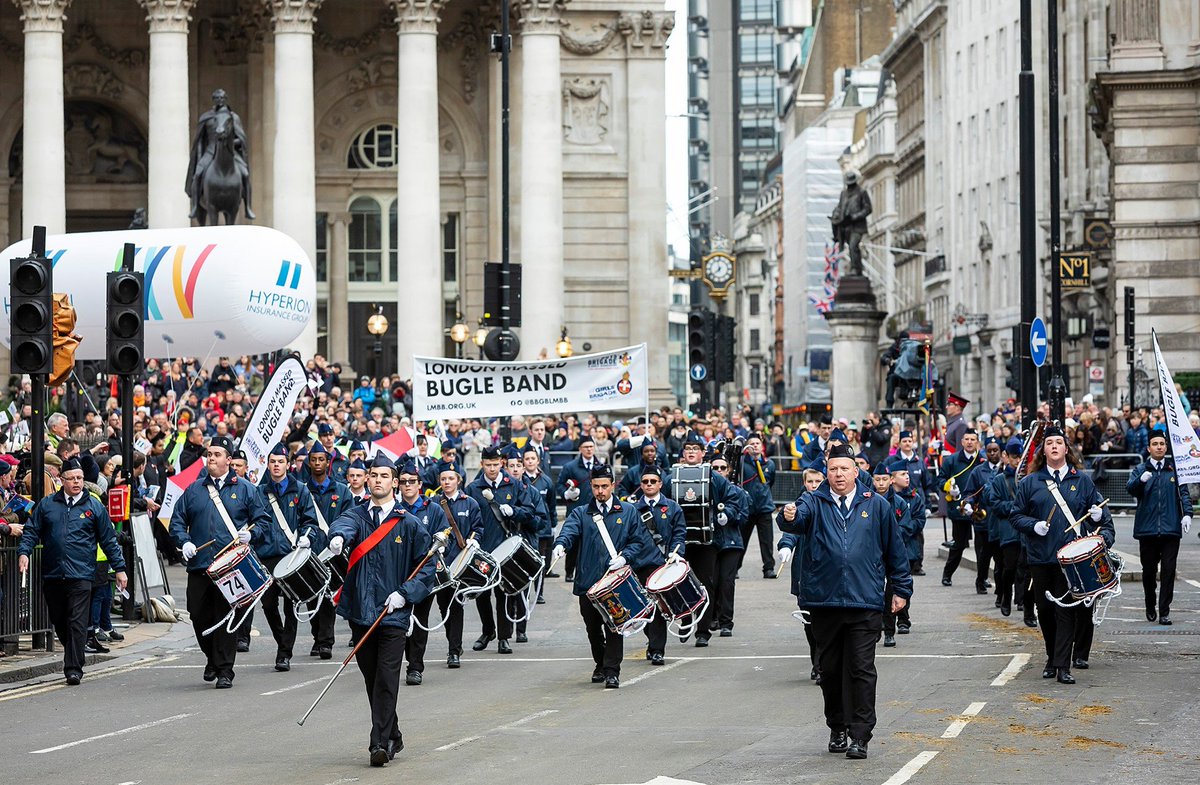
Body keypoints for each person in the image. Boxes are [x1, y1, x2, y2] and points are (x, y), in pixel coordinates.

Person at [778, 442, 912, 759]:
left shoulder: (875, 505)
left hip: (865, 602)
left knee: (862, 669)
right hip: (824, 603)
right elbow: (795, 521)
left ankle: (860, 735)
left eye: (844, 469)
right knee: (831, 670)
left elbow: (895, 550)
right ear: (827, 472)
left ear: (856, 472)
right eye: (833, 469)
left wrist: (900, 589)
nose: (838, 475)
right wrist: (788, 516)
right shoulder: (813, 500)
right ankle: (837, 726)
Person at [326, 455, 436, 767]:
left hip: (393, 615)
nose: (377, 480)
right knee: (372, 678)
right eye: (373, 475)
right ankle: (394, 733)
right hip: (361, 611)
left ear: (395, 482)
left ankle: (380, 743)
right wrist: (337, 537)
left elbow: (427, 569)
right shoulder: (356, 516)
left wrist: (405, 594)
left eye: (384, 476)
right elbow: (343, 524)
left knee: (387, 678)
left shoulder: (409, 523)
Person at [1011, 425, 1114, 684]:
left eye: (1059, 442)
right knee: (1045, 611)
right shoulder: (1030, 482)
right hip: (1040, 557)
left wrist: (1098, 516)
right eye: (1050, 443)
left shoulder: (1082, 480)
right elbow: (1016, 515)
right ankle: (1051, 657)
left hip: (1070, 561)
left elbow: (1099, 515)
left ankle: (1062, 666)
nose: (1055, 446)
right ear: (1043, 450)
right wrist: (1033, 525)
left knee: (1066, 610)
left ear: (1066, 449)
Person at [169, 435, 271, 688]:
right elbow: (177, 520)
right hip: (200, 565)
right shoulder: (194, 489)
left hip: (230, 567)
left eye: (216, 455)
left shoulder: (246, 488)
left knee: (226, 616)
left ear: (228, 459)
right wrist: (185, 542)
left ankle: (225, 669)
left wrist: (252, 534)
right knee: (198, 615)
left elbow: (263, 520)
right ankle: (212, 658)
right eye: (209, 454)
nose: (211, 459)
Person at [18, 458, 127, 685]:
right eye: (72, 478)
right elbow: (30, 531)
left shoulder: (94, 506)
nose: (77, 482)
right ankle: (73, 651)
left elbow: (108, 540)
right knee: (60, 620)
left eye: (80, 478)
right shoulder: (47, 505)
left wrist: (120, 569)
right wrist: (24, 553)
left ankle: (73, 668)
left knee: (77, 621)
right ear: (62, 480)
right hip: (53, 574)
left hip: (81, 574)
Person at [552, 465, 656, 688]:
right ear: (591, 486)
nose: (600, 491)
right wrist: (561, 545)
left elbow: (638, 541)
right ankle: (600, 664)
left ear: (613, 485)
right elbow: (569, 530)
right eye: (596, 486)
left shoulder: (627, 511)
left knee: (615, 626)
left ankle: (612, 671)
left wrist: (625, 557)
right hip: (587, 582)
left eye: (604, 486)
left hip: (614, 582)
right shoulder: (582, 512)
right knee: (592, 629)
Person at [665, 431, 740, 646]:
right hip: (680, 540)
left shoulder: (713, 476)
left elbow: (732, 498)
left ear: (702, 453)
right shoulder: (672, 477)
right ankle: (686, 621)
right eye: (687, 449)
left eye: (695, 449)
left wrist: (726, 515)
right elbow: (662, 501)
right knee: (678, 584)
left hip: (707, 541)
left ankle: (703, 631)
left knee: (706, 584)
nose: (691, 452)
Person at [465, 446, 537, 654]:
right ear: (482, 465)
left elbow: (530, 512)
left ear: (501, 464)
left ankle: (504, 637)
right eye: (488, 465)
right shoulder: (473, 488)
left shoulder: (513, 485)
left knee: (504, 593)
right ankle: (488, 630)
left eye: (496, 464)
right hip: (482, 549)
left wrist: (514, 511)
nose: (492, 469)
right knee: (481, 594)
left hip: (506, 549)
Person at [257, 443, 319, 672]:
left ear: (287, 464)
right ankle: (282, 640)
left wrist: (306, 537)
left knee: (292, 605)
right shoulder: (259, 492)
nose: (276, 465)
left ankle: (284, 654)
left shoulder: (300, 489)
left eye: (280, 461)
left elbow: (310, 521)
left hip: (291, 555)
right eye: (273, 461)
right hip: (266, 556)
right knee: (268, 604)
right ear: (268, 463)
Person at [421, 464, 484, 669]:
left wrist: (474, 540)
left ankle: (454, 651)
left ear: (458, 480)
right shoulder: (432, 503)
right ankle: (452, 643)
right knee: (440, 607)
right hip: (438, 564)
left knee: (454, 607)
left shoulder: (470, 503)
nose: (446, 482)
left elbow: (478, 527)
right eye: (443, 479)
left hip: (458, 564)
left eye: (450, 478)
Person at [1127, 429, 1192, 624]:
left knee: (1168, 571)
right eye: (1155, 444)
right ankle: (1150, 603)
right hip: (1147, 530)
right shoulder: (1140, 469)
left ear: (1165, 447)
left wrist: (1187, 514)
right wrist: (1141, 480)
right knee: (1148, 572)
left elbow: (1184, 494)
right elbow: (1131, 489)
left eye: (1162, 444)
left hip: (1171, 528)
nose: (1159, 447)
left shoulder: (1174, 469)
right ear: (1148, 448)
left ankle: (1164, 611)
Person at [394, 460, 450, 685]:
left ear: (420, 484)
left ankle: (415, 666)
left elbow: (444, 532)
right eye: (404, 482)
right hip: (399, 572)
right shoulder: (394, 509)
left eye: (412, 482)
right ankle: (396, 662)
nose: (408, 486)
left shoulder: (433, 508)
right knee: (399, 619)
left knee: (419, 618)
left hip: (424, 573)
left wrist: (442, 544)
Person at [629, 464, 687, 665]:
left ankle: (657, 649)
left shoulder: (672, 507)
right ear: (641, 484)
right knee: (642, 609)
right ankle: (651, 640)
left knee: (658, 610)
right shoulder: (632, 509)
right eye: (645, 481)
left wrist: (676, 553)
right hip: (638, 565)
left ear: (660, 484)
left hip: (661, 565)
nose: (649, 484)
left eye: (653, 481)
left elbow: (680, 534)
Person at [777, 468, 825, 683]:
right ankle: (816, 660)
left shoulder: (828, 504)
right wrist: (786, 545)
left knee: (826, 621)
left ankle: (822, 664)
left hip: (826, 572)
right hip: (804, 573)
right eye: (810, 481)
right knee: (809, 622)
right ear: (804, 483)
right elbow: (792, 528)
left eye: (818, 481)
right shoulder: (801, 504)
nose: (814, 485)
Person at [304, 442, 351, 657]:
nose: (317, 463)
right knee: (312, 595)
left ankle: (326, 641)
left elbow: (349, 517)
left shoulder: (341, 490)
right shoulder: (303, 489)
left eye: (321, 459)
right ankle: (317, 636)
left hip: (333, 552)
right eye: (313, 459)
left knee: (328, 596)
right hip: (309, 552)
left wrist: (341, 537)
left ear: (328, 462)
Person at [984, 441, 1024, 617]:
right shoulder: (1000, 479)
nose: (1018, 461)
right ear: (1007, 457)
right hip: (1008, 530)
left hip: (1025, 530)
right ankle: (1006, 596)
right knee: (1009, 567)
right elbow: (995, 503)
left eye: (1020, 457)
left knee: (1025, 568)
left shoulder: (1028, 478)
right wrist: (1015, 506)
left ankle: (1023, 600)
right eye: (1015, 457)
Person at [939, 429, 982, 588]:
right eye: (967, 439)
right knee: (959, 544)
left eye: (973, 439)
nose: (970, 442)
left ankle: (982, 578)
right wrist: (948, 488)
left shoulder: (982, 458)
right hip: (960, 507)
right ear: (962, 442)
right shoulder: (952, 460)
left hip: (979, 509)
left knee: (982, 547)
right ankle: (947, 574)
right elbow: (941, 479)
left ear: (977, 441)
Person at [709, 455, 747, 636]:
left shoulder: (737, 491)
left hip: (731, 542)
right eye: (715, 467)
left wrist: (729, 517)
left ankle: (726, 622)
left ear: (728, 470)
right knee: (711, 582)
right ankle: (712, 618)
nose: (718, 471)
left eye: (722, 468)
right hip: (709, 542)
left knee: (726, 582)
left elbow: (745, 516)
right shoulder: (706, 489)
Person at [961, 436, 1003, 598]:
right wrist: (969, 503)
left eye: (995, 450)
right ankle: (981, 580)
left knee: (1001, 558)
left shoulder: (1004, 470)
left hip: (999, 520)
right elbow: (969, 493)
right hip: (983, 520)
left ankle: (1000, 589)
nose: (993, 453)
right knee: (984, 555)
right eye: (990, 450)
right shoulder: (978, 471)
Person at [556, 436, 603, 581]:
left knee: (594, 542)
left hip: (595, 510)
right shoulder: (570, 467)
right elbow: (559, 485)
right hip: (576, 510)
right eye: (586, 447)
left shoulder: (599, 466)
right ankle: (569, 572)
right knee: (574, 543)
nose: (589, 449)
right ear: (580, 449)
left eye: (591, 446)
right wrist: (567, 494)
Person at [886, 459, 923, 633]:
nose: (907, 477)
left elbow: (917, 521)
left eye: (908, 474)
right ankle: (887, 620)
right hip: (886, 550)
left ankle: (903, 618)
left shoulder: (915, 497)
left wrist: (896, 534)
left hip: (906, 548)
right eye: (902, 474)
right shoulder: (884, 498)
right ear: (892, 479)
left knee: (903, 584)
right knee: (888, 586)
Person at [738, 434, 777, 578]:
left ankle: (768, 568)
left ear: (762, 446)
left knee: (767, 541)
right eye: (752, 443)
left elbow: (770, 481)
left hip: (764, 507)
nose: (755, 446)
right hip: (747, 508)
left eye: (757, 443)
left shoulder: (769, 464)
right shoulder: (742, 462)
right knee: (742, 540)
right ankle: (735, 567)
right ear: (747, 448)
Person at [522, 445, 558, 592]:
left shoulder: (547, 481)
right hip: (527, 527)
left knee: (540, 560)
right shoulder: (520, 481)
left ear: (538, 461)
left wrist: (553, 524)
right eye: (527, 459)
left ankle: (540, 591)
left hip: (543, 527)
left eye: (533, 458)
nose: (530, 461)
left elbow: (552, 504)